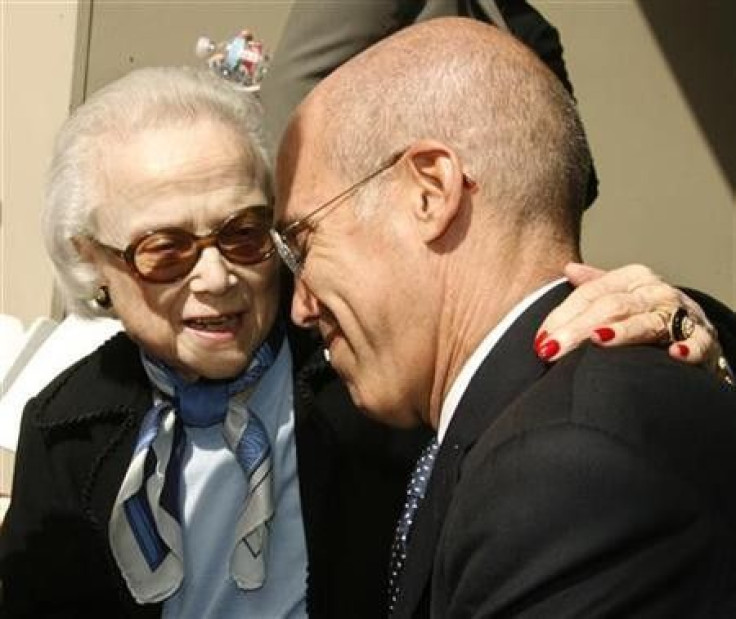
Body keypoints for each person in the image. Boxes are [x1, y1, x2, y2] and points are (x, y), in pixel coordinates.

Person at [0, 66, 728, 619]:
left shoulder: (360, 353)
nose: (217, 277)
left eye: (245, 233)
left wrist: (689, 322)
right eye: (166, 250)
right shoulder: (67, 430)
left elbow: (521, 349)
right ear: (93, 262)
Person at [272, 17, 736, 618]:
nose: (300, 304)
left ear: (430, 192)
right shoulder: (498, 422)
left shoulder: (564, 464)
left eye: (304, 244)